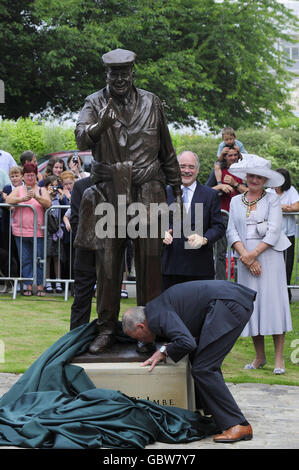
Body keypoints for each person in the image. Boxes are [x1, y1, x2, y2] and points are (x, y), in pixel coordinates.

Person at [75, 48, 182, 353]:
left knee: (149, 265)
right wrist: (100, 126)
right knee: (108, 265)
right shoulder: (94, 102)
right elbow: (81, 137)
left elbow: (166, 146)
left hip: (148, 192)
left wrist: (175, 186)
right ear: (106, 75)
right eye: (114, 73)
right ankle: (106, 328)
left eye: (124, 73)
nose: (119, 79)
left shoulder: (152, 101)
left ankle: (148, 331)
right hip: (111, 193)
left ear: (133, 73)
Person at [122, 280, 256, 443]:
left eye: (137, 338)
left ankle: (238, 424)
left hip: (228, 303)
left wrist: (164, 351)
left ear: (141, 326)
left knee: (204, 368)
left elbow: (187, 342)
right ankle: (216, 415)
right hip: (229, 300)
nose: (141, 342)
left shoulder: (156, 316)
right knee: (202, 361)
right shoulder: (155, 309)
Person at [227, 155, 292, 375]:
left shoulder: (272, 199)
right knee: (251, 307)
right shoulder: (236, 201)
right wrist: (245, 256)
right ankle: (259, 356)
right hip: (245, 260)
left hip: (269, 258)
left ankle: (279, 359)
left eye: (259, 177)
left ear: (265, 180)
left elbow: (274, 230)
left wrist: (253, 255)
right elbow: (231, 231)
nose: (254, 180)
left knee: (274, 305)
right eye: (251, 175)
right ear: (246, 177)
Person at [162, 150, 225, 289]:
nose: (186, 171)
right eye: (182, 166)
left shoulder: (210, 195)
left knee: (198, 310)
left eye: (191, 167)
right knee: (170, 309)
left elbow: (218, 226)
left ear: (197, 170)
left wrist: (204, 239)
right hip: (170, 267)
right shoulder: (164, 193)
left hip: (199, 267)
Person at [6, 162, 51, 296]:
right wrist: (21, 198)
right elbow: (8, 200)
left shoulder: (41, 190)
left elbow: (48, 204)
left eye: (32, 175)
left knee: (40, 260)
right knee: (25, 259)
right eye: (27, 175)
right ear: (23, 176)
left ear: (36, 175)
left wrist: (36, 197)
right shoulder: (18, 189)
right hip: (20, 232)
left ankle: (41, 286)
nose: (30, 178)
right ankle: (28, 285)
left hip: (39, 232)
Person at [206, 146, 247, 280]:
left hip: (240, 217)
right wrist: (220, 186)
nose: (233, 158)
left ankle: (240, 282)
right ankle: (221, 284)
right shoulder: (218, 172)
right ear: (225, 157)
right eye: (230, 155)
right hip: (222, 216)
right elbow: (205, 192)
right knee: (220, 253)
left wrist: (235, 184)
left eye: (236, 155)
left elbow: (251, 192)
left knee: (240, 252)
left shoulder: (244, 171)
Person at [69, 176, 97, 330]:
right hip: (85, 253)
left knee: (109, 304)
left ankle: (107, 337)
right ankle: (76, 340)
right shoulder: (81, 186)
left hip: (112, 254)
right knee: (81, 301)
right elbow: (75, 221)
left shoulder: (119, 184)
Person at [268, 168, 299, 302]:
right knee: (272, 264)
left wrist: (280, 206)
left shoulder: (291, 190)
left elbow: (297, 207)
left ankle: (286, 294)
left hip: (288, 233)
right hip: (271, 234)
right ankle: (273, 294)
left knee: (287, 264)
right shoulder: (268, 191)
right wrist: (286, 206)